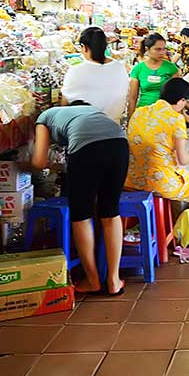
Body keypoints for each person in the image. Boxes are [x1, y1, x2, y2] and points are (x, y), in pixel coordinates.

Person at [30, 101, 128, 295]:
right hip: (119, 144)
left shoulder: (45, 116)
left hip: (87, 149)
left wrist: (23, 164)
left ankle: (92, 281)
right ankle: (114, 281)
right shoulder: (93, 112)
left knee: (81, 216)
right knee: (110, 212)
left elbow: (39, 161)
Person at [126, 79, 189, 246]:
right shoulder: (175, 119)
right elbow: (183, 160)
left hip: (130, 180)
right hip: (159, 183)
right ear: (181, 100)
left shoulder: (139, 112)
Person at [61, 27, 128, 121]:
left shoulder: (76, 70)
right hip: (113, 124)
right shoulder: (120, 67)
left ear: (84, 47)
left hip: (83, 125)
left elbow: (64, 102)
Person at [128, 33, 180, 117]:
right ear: (147, 49)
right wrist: (130, 118)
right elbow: (132, 98)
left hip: (165, 113)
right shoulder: (138, 69)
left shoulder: (171, 68)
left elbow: (177, 95)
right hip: (143, 112)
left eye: (164, 49)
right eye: (158, 49)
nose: (162, 52)